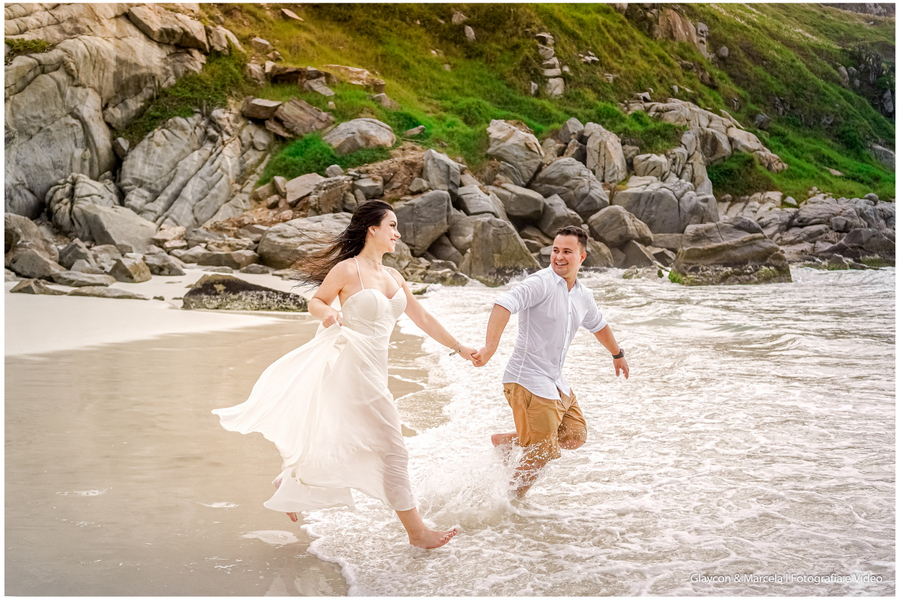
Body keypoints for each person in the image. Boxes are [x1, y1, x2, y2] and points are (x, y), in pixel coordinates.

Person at [213, 200, 475, 549]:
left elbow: (422, 318)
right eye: (392, 226)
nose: (398, 233)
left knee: (350, 437)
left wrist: (461, 348)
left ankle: (291, 481)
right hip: (352, 366)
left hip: (376, 370)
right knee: (394, 449)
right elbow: (316, 301)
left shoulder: (394, 276)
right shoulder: (347, 270)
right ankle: (417, 533)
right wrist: (327, 315)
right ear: (373, 229)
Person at [472, 225, 629, 498]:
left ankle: (507, 441)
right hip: (526, 380)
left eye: (567, 251)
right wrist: (489, 347)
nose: (558, 257)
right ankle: (510, 505)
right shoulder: (540, 283)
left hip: (555, 381)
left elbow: (599, 325)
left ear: (582, 256)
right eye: (555, 250)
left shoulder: (583, 295)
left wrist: (617, 354)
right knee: (542, 451)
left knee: (574, 436)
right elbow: (503, 304)